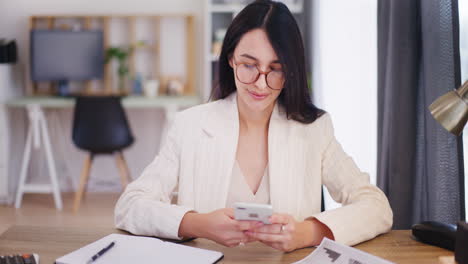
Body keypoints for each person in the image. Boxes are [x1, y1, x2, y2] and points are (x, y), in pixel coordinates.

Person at [115, 0, 393, 252]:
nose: (260, 83)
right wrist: (197, 224)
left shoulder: (314, 129)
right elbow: (130, 206)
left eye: (276, 69)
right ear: (231, 59)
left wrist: (308, 232)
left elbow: (376, 207)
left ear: (291, 71)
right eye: (249, 65)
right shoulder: (190, 125)